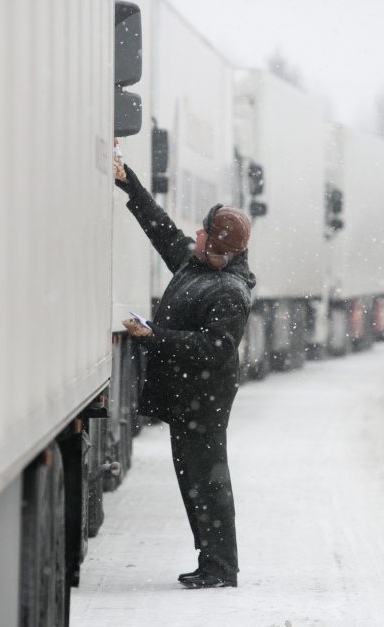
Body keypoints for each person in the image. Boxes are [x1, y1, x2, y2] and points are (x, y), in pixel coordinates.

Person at [115, 162, 255, 589]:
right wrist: (130, 183)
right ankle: (211, 562)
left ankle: (220, 568)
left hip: (205, 401)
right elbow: (161, 229)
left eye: (203, 231)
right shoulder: (197, 267)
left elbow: (214, 349)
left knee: (208, 482)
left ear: (217, 246)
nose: (194, 235)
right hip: (188, 399)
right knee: (194, 480)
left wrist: (154, 336)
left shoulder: (228, 291)